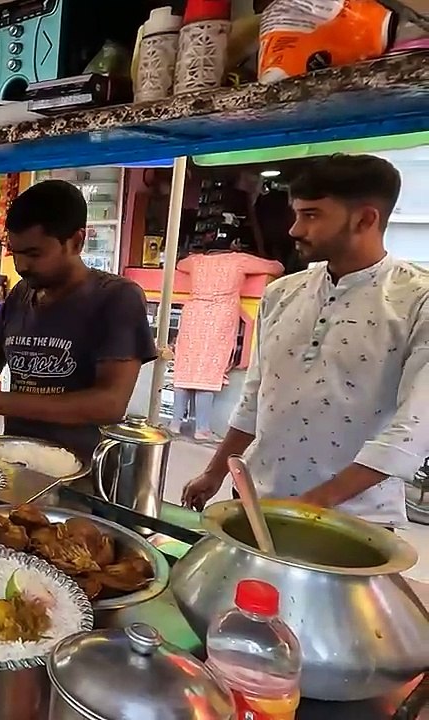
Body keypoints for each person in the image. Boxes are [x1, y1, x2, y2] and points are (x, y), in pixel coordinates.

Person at [181, 154, 429, 527]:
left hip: (352, 521)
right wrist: (215, 472)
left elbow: (413, 431)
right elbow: (255, 397)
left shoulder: (417, 300)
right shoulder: (282, 293)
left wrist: (312, 504)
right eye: (297, 214)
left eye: (311, 215)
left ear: (365, 219)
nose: (295, 229)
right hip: (254, 500)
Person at [0, 180, 156, 459]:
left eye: (34, 254)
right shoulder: (21, 294)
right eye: (16, 253)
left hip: (83, 469)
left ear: (76, 242)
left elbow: (110, 404)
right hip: (17, 460)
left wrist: (2, 403)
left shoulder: (117, 298)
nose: (21, 266)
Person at [170, 238, 283, 441]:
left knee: (184, 367)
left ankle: (175, 424)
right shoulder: (239, 260)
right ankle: (202, 429)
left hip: (194, 314)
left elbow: (179, 264)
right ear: (232, 248)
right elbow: (276, 267)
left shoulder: (196, 261)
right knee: (208, 372)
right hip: (220, 316)